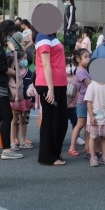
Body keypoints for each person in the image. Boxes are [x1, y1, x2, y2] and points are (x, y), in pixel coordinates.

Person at [35, 17, 69, 166]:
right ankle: (48, 156)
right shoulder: (43, 36)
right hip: (50, 84)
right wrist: (50, 88)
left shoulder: (51, 36)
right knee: (52, 121)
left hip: (58, 84)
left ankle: (54, 153)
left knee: (60, 122)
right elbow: (46, 64)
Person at [0, 20, 22, 160]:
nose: (11, 36)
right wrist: (14, 73)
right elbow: (0, 66)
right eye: (10, 33)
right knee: (7, 116)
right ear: (6, 31)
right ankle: (7, 149)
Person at [84, 71, 105, 166]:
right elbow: (89, 102)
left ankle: (104, 156)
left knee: (104, 137)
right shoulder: (92, 86)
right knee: (93, 137)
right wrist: (92, 116)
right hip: (95, 118)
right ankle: (93, 157)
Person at [66, 49, 91, 156]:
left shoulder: (83, 71)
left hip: (86, 101)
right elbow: (90, 86)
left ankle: (87, 147)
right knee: (80, 124)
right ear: (78, 59)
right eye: (86, 57)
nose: (88, 59)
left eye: (88, 56)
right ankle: (72, 147)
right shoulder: (81, 72)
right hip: (83, 102)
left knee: (86, 125)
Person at [10, 50, 34, 149]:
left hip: (26, 100)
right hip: (16, 100)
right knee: (14, 120)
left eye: (26, 58)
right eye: (23, 58)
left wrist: (33, 100)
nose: (25, 61)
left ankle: (23, 140)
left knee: (23, 120)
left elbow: (32, 86)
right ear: (18, 60)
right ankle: (14, 140)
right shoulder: (14, 72)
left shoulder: (29, 73)